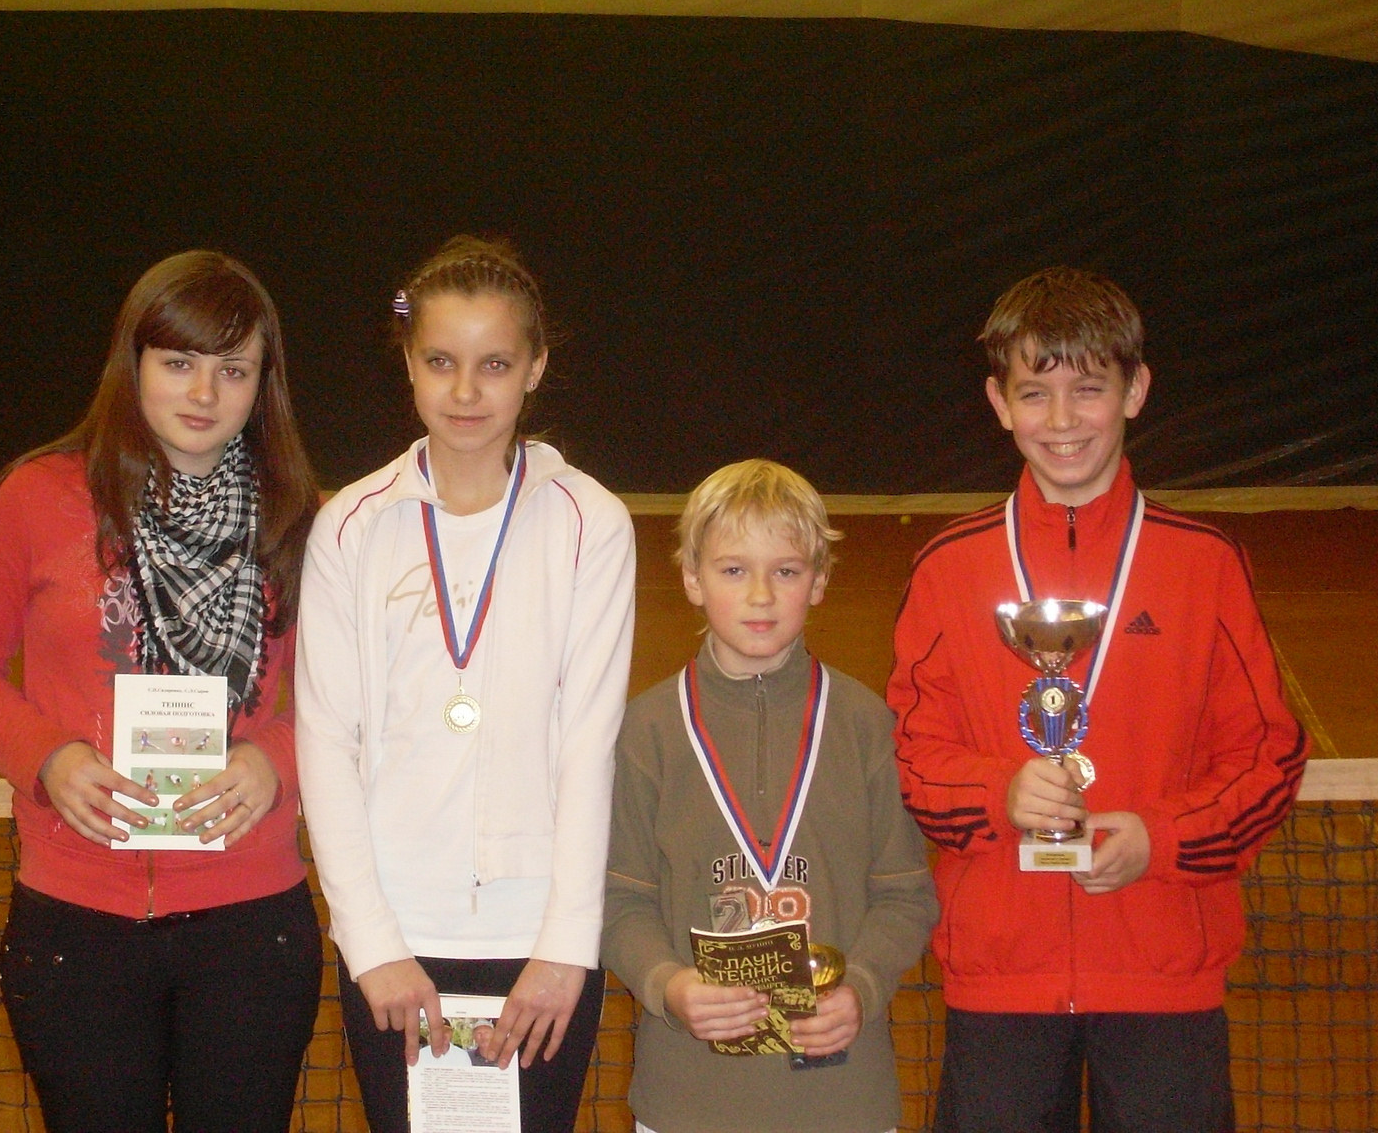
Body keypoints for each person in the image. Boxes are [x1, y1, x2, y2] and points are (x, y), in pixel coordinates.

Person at [888, 266, 1307, 1132]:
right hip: (1000, 978)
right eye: (1034, 393)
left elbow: (1267, 754)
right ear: (999, 403)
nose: (1063, 420)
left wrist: (1161, 840)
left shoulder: (1203, 565)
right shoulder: (948, 569)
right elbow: (909, 754)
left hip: (1163, 972)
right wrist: (998, 793)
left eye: (1089, 389)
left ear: (1135, 390)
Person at [0, 251, 322, 1133]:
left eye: (234, 370)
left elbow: (344, 698)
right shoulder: (36, 498)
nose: (204, 393)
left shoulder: (301, 520)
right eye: (178, 362)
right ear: (133, 363)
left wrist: (276, 759)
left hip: (250, 923)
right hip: (76, 925)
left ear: (264, 385)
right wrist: (47, 757)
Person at [294, 235, 636, 1132]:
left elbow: (589, 744)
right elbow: (325, 742)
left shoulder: (591, 523)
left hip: (539, 948)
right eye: (441, 362)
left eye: (495, 364)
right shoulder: (350, 527)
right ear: (409, 364)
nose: (465, 392)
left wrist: (566, 946)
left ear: (536, 368)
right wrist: (371, 943)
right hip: (395, 944)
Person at [604, 459, 939, 1133]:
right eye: (734, 570)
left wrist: (862, 987)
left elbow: (907, 896)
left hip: (842, 1102)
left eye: (785, 571)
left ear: (818, 582)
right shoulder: (646, 729)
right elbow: (618, 902)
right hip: (686, 1103)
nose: (761, 595)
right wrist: (669, 984)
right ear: (692, 579)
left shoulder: (864, 723)